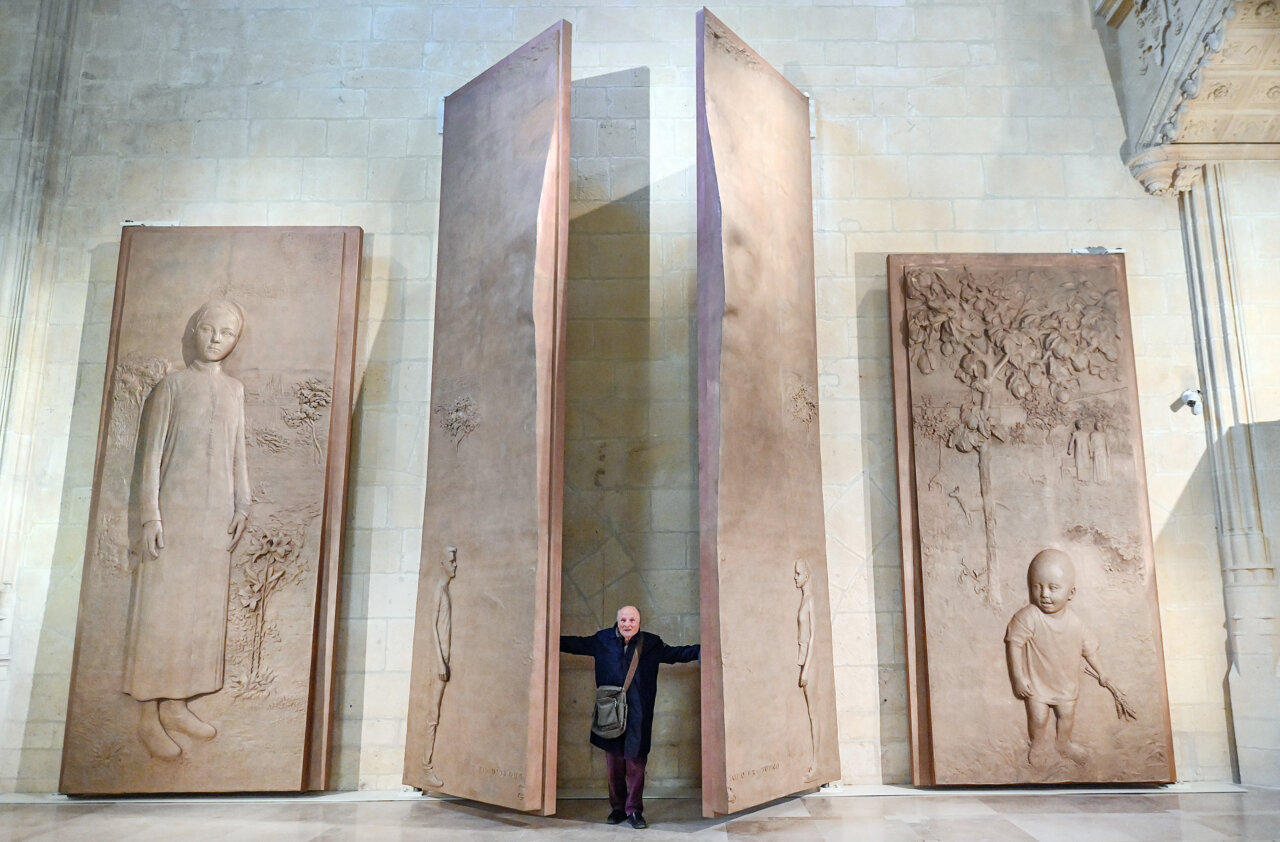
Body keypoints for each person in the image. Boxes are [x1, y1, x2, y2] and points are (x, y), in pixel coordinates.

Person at [123, 299, 251, 759]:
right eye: (208, 329)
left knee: (196, 613)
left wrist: (243, 502)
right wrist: (150, 516)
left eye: (227, 333)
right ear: (194, 331)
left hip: (213, 519)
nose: (216, 339)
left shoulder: (235, 391)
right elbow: (150, 458)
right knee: (162, 612)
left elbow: (238, 453)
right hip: (173, 518)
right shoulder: (171, 387)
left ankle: (176, 705)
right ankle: (147, 715)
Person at [561, 606, 699, 829]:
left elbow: (676, 654)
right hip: (610, 712)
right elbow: (576, 644)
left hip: (638, 714)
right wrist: (546, 639)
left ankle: (634, 810)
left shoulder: (651, 644)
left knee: (635, 763)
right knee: (614, 762)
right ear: (617, 621)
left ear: (639, 622)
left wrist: (703, 649)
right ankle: (617, 808)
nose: (627, 624)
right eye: (623, 620)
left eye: (632, 620)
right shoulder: (602, 639)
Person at [1004, 548, 1110, 768]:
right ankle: (1038, 744)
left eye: (1053, 588)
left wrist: (1102, 672)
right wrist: (1018, 678)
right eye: (1037, 586)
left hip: (1066, 686)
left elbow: (1090, 650)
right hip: (1037, 686)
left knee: (1066, 717)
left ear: (1071, 592)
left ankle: (1064, 744)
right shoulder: (1028, 617)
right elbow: (1014, 643)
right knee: (1039, 718)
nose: (1044, 594)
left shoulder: (1076, 623)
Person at [420, 546, 457, 788]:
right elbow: (431, 627)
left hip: (444, 659)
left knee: (437, 714)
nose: (455, 566)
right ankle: (426, 767)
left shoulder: (445, 589)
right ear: (443, 563)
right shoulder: (438, 590)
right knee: (433, 715)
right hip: (439, 662)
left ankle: (428, 764)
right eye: (452, 562)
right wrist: (439, 661)